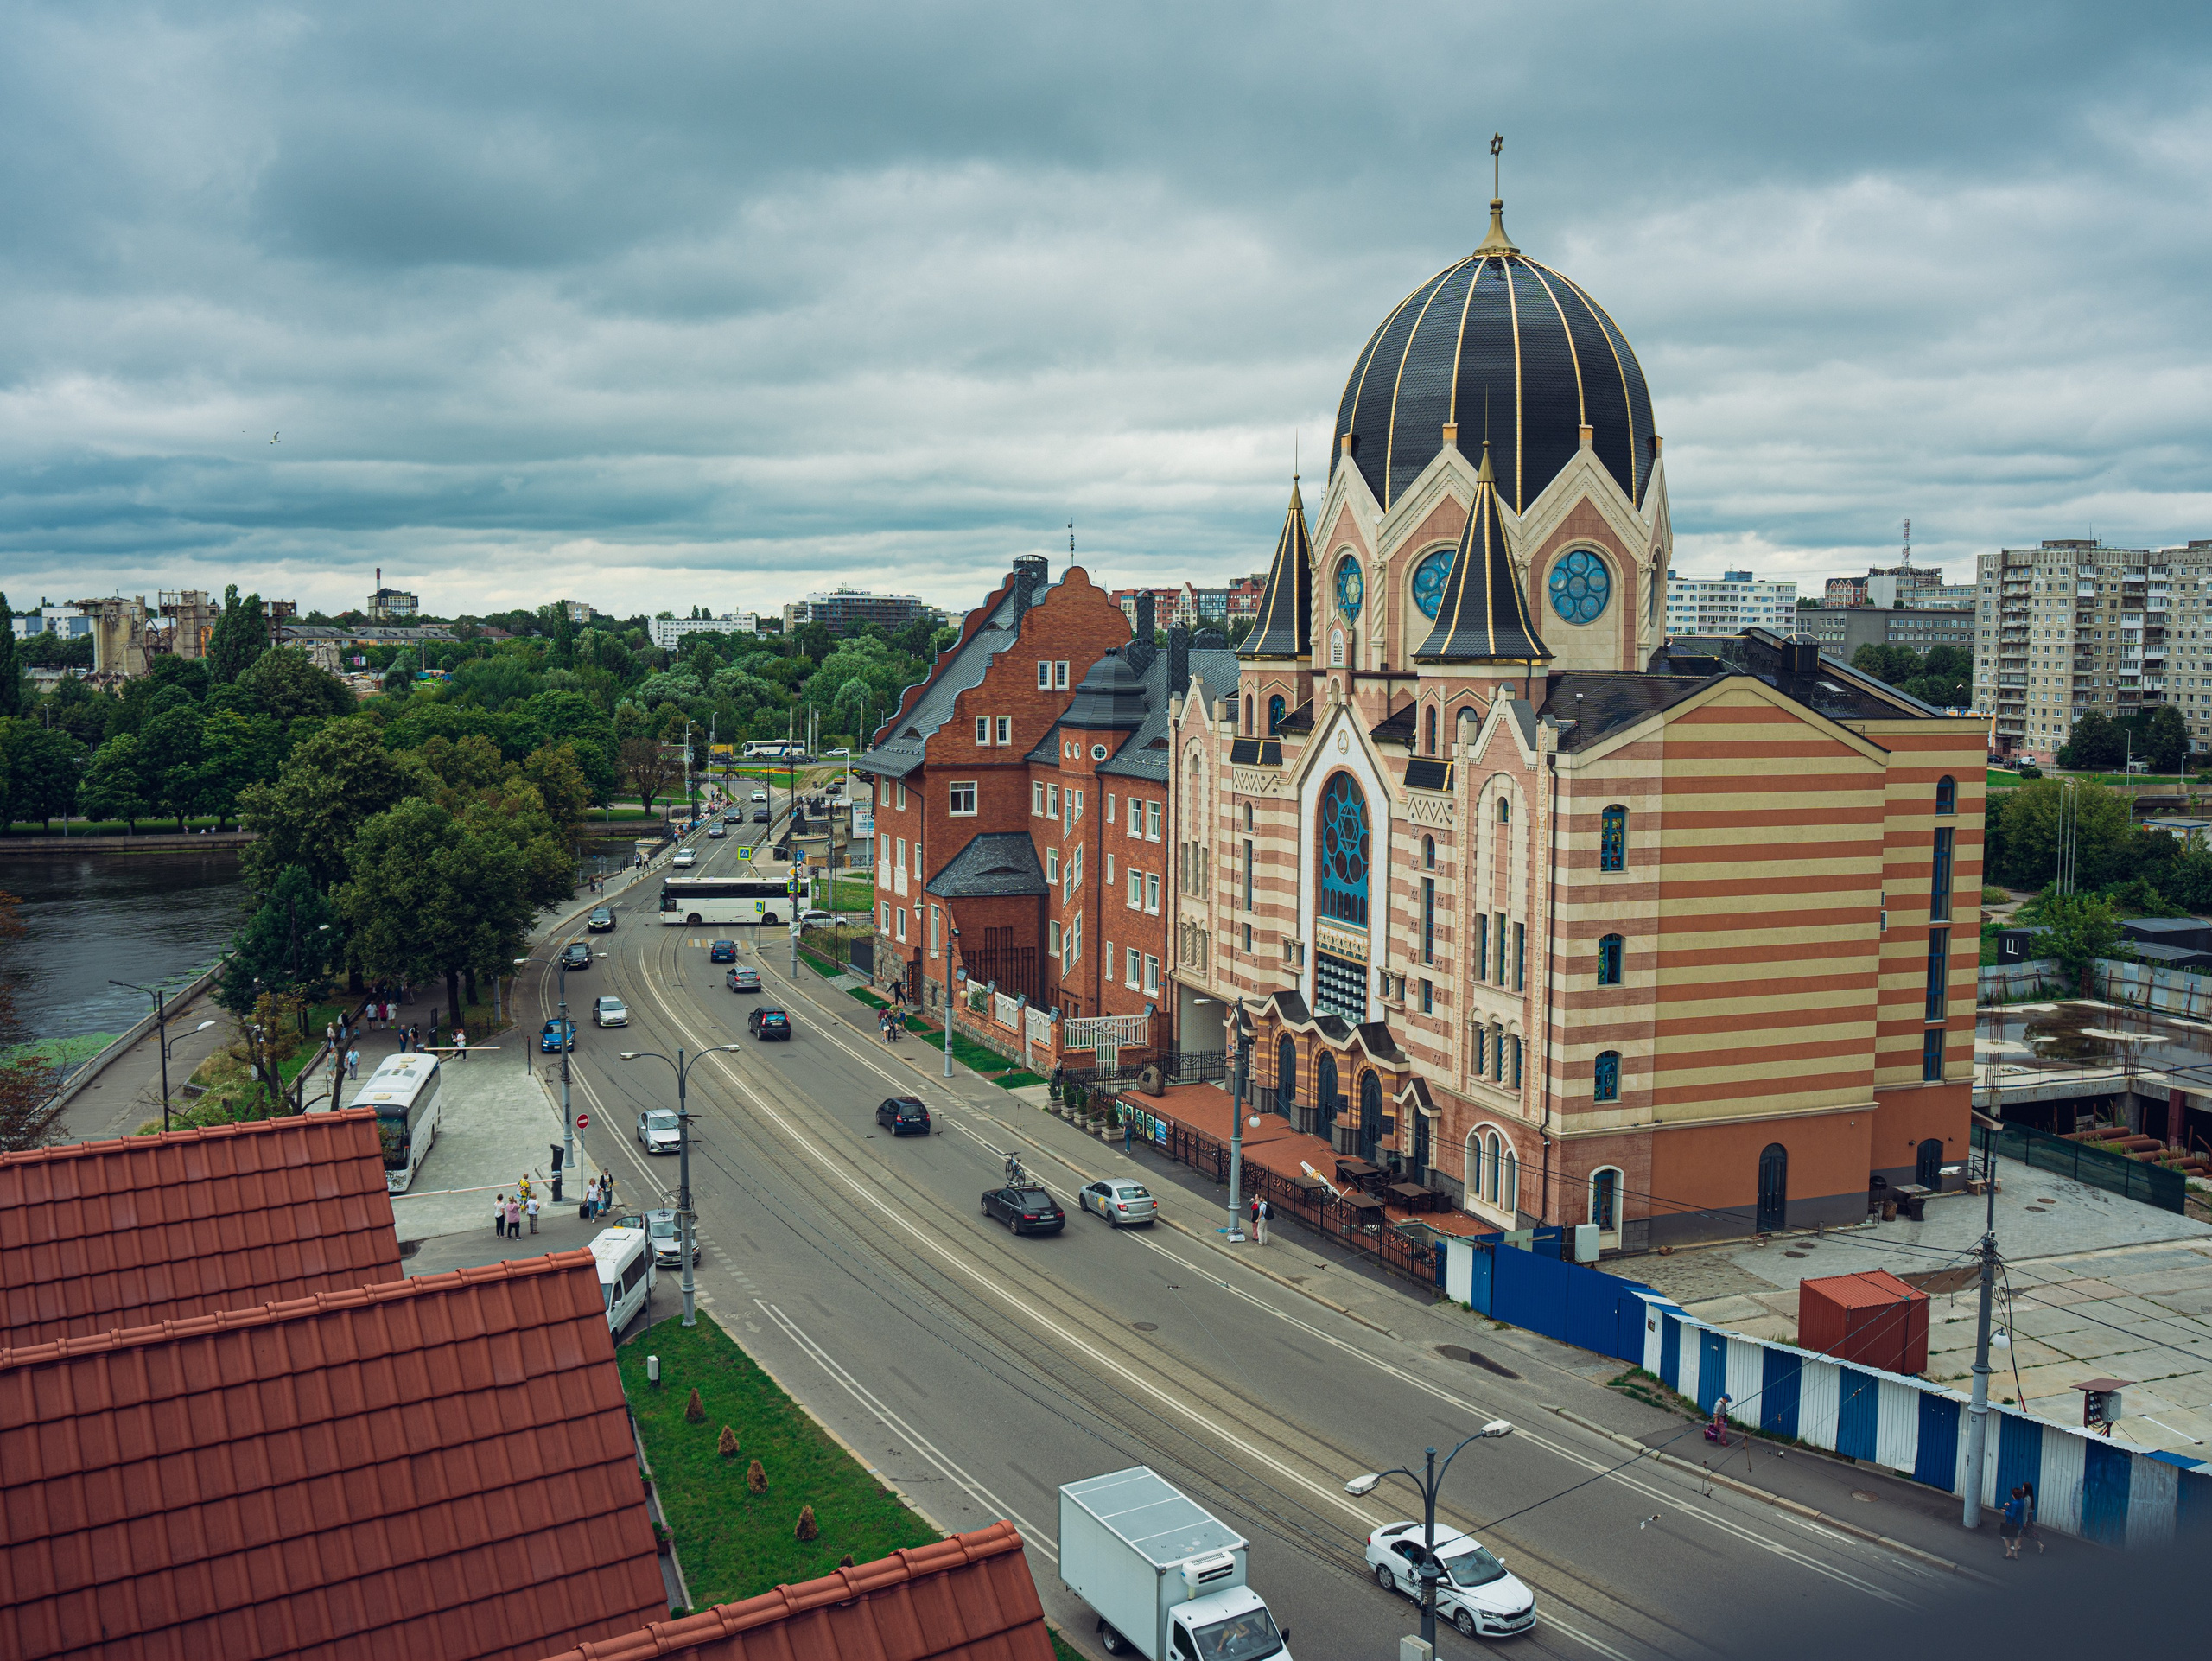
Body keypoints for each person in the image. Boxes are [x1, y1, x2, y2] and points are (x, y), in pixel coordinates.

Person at [2000, 1486, 2027, 1559]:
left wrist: (2006, 1511)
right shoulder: (2021, 1501)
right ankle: (2016, 1555)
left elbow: (2012, 1516)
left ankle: (2009, 1552)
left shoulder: (2014, 1503)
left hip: (2012, 1523)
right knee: (2016, 1538)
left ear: (2013, 1495)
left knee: (2005, 1537)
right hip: (2019, 1523)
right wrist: (2010, 1505)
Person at [2020, 1479, 2044, 1553]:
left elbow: (2025, 1511)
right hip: (2029, 1516)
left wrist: (2024, 1521)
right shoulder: (2030, 1497)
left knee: (2028, 1532)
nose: (2022, 1488)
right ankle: (2018, 1545)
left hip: (2027, 1517)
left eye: (2023, 1487)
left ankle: (2040, 1545)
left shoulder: (2026, 1498)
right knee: (2021, 1531)